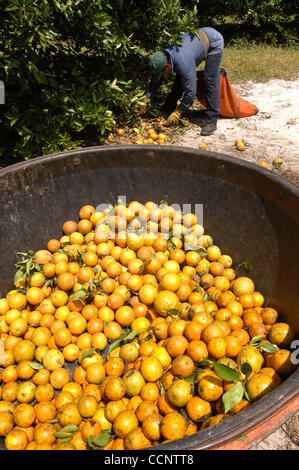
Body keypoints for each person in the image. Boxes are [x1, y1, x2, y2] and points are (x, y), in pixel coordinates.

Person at [147, 27, 224, 136]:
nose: (162, 76)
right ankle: (169, 106)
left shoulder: (183, 62)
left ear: (167, 66)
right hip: (195, 43)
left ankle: (212, 119)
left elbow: (191, 92)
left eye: (162, 73)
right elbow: (156, 79)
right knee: (180, 78)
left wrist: (179, 111)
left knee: (210, 79)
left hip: (213, 41)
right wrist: (148, 96)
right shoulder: (164, 57)